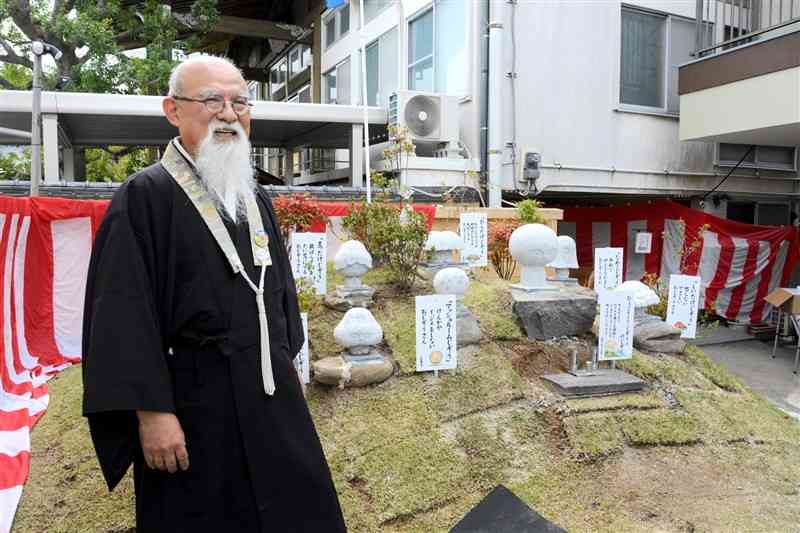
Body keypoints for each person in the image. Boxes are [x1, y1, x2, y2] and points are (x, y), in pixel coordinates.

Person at [81, 55, 346, 532]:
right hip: (191, 400)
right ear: (173, 110)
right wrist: (153, 413)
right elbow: (122, 315)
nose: (229, 113)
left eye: (240, 102)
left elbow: (277, 290)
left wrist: (285, 362)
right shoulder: (145, 196)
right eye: (212, 100)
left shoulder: (253, 195)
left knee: (299, 509)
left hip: (267, 389)